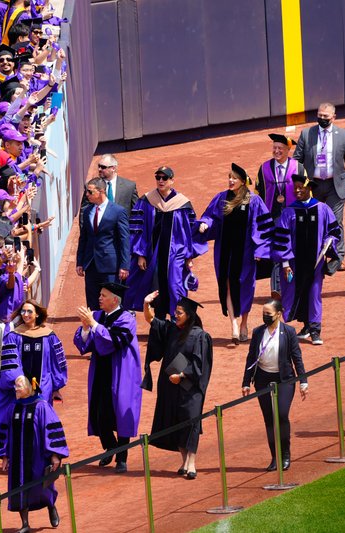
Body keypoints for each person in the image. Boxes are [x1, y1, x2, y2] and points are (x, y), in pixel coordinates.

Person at [197, 163, 271, 344]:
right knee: (227, 284)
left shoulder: (254, 201)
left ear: (243, 182)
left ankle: (245, 322)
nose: (230, 180)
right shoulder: (222, 198)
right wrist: (205, 223)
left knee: (245, 286)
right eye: (229, 177)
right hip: (224, 251)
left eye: (234, 178)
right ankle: (235, 325)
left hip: (245, 252)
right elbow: (210, 215)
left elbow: (263, 226)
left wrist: (260, 249)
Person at [141, 291, 212, 479]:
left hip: (190, 387)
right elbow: (152, 321)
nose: (175, 315)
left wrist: (182, 375)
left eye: (179, 312)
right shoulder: (172, 330)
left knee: (191, 421)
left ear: (189, 315)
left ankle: (192, 463)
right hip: (170, 385)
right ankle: (184, 461)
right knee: (176, 422)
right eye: (175, 311)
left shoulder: (200, 336)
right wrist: (146, 304)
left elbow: (200, 364)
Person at [73, 282, 142, 474]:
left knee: (121, 413)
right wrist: (86, 327)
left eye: (104, 295)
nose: (99, 298)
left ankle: (122, 458)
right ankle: (111, 446)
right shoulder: (97, 316)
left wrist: (94, 325)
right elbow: (83, 344)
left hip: (121, 372)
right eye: (100, 295)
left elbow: (115, 341)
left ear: (115, 299)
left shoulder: (127, 318)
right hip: (101, 371)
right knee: (99, 412)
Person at [0, 299, 67, 457]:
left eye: (29, 311)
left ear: (37, 314)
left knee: (40, 419)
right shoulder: (14, 336)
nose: (25, 314)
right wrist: (19, 381)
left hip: (42, 387)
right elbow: (11, 362)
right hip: (20, 389)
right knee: (17, 420)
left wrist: (57, 386)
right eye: (23, 311)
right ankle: (14, 455)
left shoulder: (49, 336)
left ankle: (41, 454)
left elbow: (56, 362)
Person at [124, 166, 205, 318]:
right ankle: (159, 320)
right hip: (152, 253)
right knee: (154, 286)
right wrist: (140, 254)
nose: (161, 181)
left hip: (176, 253)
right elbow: (137, 228)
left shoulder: (182, 204)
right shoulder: (146, 201)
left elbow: (189, 230)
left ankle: (177, 319)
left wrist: (189, 256)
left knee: (175, 285)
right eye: (158, 178)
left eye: (164, 178)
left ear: (172, 181)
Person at [272, 175, 341, 345]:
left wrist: (328, 243)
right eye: (295, 187)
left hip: (315, 262)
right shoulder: (289, 212)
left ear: (309, 187)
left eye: (300, 187)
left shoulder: (322, 209)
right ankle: (306, 326)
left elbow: (334, 232)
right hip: (295, 263)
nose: (297, 190)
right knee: (299, 292)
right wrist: (286, 263)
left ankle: (316, 330)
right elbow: (283, 238)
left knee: (314, 294)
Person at [293, 102, 345, 270]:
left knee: (335, 221)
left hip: (334, 185)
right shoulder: (306, 133)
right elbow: (297, 159)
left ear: (333, 117)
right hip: (312, 186)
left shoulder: (342, 134)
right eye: (320, 115)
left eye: (326, 116)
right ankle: (315, 254)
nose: (322, 118)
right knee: (313, 220)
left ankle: (337, 257)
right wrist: (297, 182)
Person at [242, 299, 307, 471]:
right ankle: (274, 457)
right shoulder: (257, 332)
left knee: (282, 415)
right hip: (263, 379)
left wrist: (303, 381)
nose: (265, 317)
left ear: (278, 314)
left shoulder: (289, 332)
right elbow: (251, 358)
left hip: (284, 379)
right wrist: (246, 382)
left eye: (268, 314)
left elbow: (296, 358)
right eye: (263, 314)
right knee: (269, 419)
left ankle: (285, 454)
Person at [0, 375, 68, 532]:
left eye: (19, 386)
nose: (15, 388)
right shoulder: (12, 408)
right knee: (18, 490)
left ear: (29, 387)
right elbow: (5, 431)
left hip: (37, 457)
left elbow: (52, 429)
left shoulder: (42, 406)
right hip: (17, 458)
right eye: (15, 386)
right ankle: (25, 524)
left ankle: (51, 506)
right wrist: (5, 455)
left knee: (42, 488)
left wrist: (55, 455)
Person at [256, 133, 304, 298]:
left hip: (294, 214)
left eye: (280, 148)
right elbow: (259, 193)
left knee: (295, 250)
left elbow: (305, 191)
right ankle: (277, 290)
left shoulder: (298, 167)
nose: (276, 151)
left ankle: (294, 287)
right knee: (278, 251)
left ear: (287, 150)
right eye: (274, 148)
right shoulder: (264, 168)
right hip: (274, 215)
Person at [76, 177, 130, 310]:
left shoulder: (118, 211)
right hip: (90, 264)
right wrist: (80, 262)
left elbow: (124, 239)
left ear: (101, 191)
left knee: (112, 302)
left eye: (90, 192)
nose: (87, 195)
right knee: (93, 302)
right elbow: (84, 238)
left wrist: (124, 265)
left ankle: (112, 329)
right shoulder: (88, 211)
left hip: (110, 265)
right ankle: (95, 329)